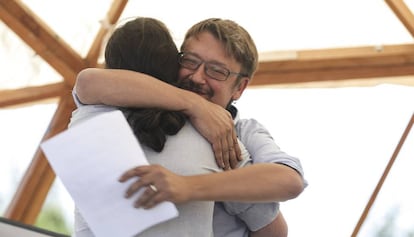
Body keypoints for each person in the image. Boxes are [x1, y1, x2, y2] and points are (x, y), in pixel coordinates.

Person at [75, 18, 306, 236]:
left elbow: (288, 181)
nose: (197, 77)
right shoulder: (147, 113)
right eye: (190, 61)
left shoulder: (244, 132)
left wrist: (188, 185)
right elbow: (88, 82)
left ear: (239, 88)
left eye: (216, 70)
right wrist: (195, 106)